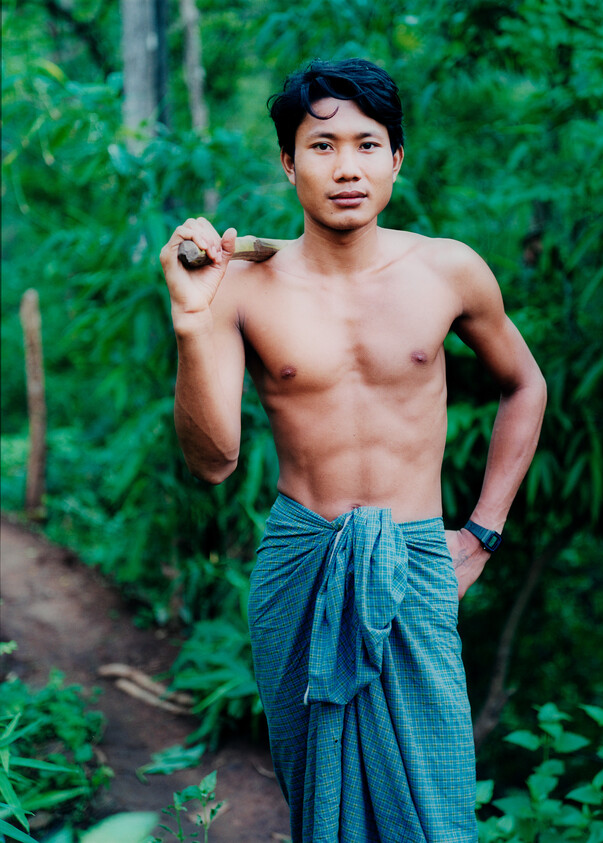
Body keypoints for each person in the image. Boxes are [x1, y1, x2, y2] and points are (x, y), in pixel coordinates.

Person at [160, 58, 546, 843]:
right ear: (287, 162)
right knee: (322, 809)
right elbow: (212, 462)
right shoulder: (243, 287)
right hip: (302, 563)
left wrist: (481, 534)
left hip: (414, 560)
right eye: (322, 145)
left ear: (396, 159)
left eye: (367, 144)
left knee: (434, 809)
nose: (346, 167)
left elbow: (524, 385)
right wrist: (193, 325)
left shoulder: (447, 270)